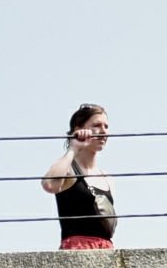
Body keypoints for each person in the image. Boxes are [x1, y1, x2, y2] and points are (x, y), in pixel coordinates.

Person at [40, 104, 117, 248]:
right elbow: (49, 185)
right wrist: (73, 148)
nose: (103, 131)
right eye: (96, 125)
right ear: (79, 130)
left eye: (106, 126)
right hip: (77, 249)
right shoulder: (68, 168)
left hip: (105, 250)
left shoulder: (108, 178)